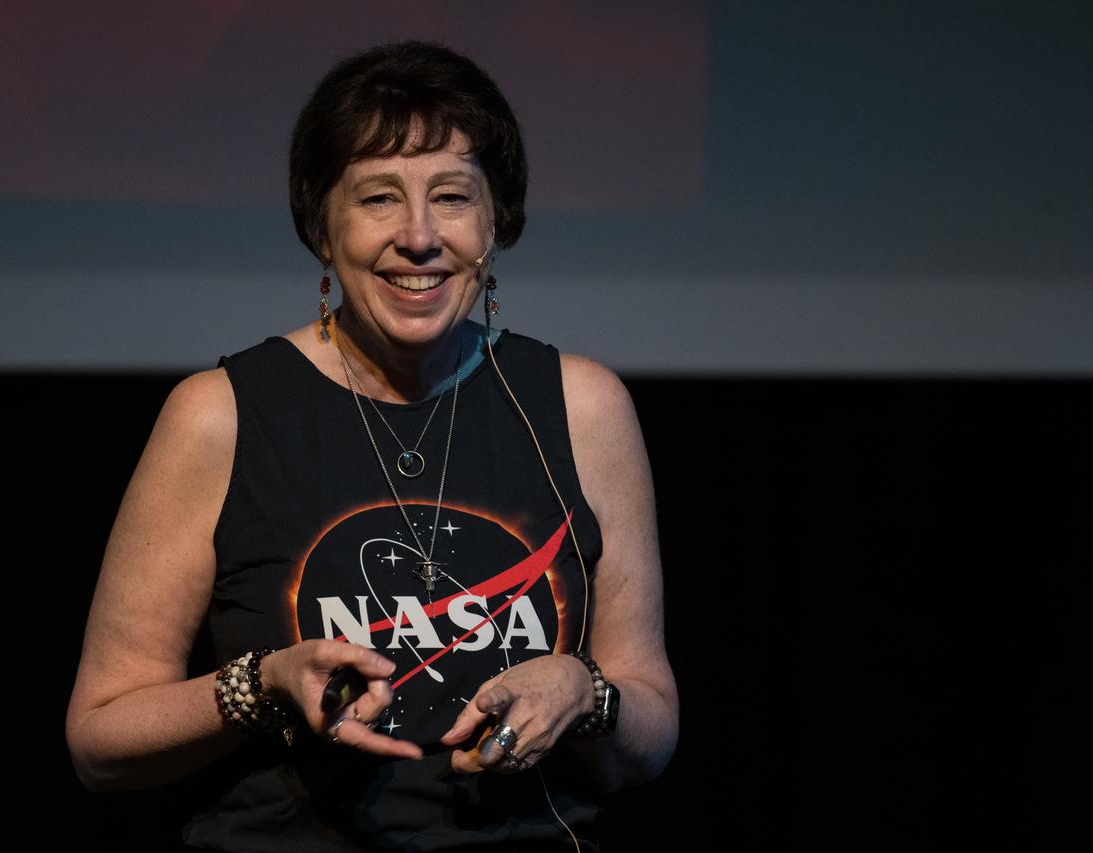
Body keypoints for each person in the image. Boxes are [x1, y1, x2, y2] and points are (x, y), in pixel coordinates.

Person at [66, 41, 677, 850]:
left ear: (496, 223)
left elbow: (652, 730)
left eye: (452, 197)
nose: (419, 237)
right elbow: (99, 740)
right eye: (378, 198)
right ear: (322, 225)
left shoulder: (583, 405)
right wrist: (264, 684)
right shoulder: (218, 415)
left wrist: (585, 689)